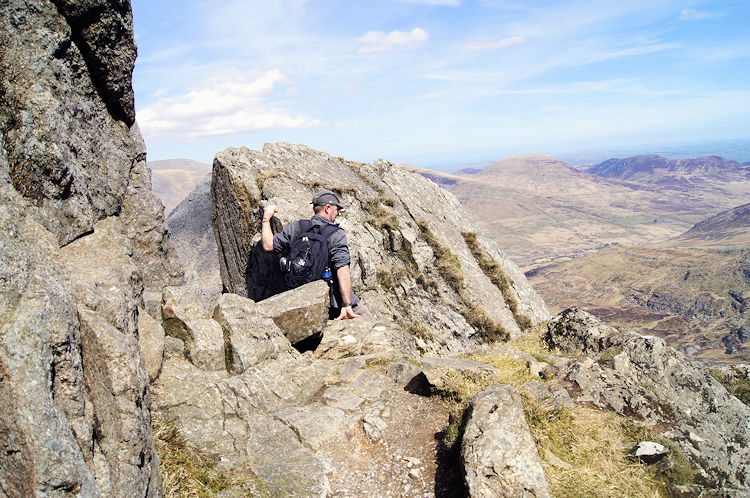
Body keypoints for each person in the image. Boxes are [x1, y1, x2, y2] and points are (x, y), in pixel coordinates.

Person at [261, 189, 371, 321]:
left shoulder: (297, 227)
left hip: (299, 298)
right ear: (328, 208)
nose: (338, 213)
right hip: (331, 300)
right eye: (337, 209)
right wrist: (346, 304)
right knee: (371, 324)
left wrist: (266, 218)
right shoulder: (336, 234)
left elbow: (268, 245)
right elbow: (342, 268)